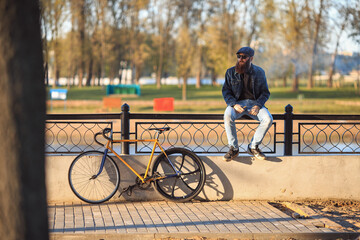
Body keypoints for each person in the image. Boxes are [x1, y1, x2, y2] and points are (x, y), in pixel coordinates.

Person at [222, 46, 273, 161]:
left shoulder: (260, 72)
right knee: (227, 115)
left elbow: (265, 93)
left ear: (251, 59)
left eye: (244, 57)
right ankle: (234, 148)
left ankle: (253, 146)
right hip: (237, 104)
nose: (240, 59)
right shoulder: (230, 72)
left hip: (255, 104)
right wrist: (234, 104)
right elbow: (226, 92)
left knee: (268, 119)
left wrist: (257, 105)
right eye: (239, 56)